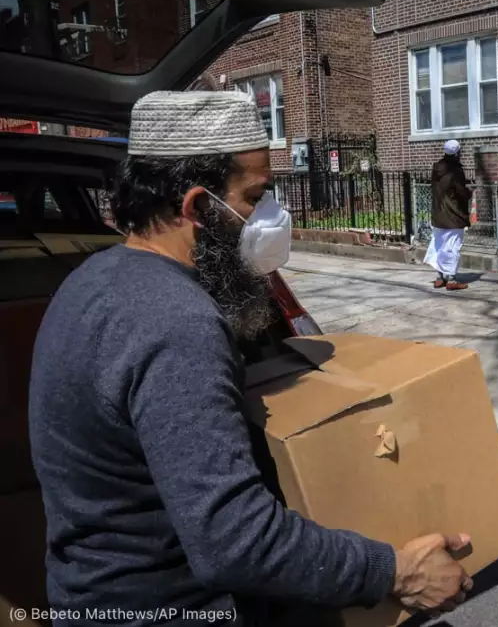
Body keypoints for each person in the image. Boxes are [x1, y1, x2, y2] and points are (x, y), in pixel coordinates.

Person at [28, 91, 472, 627]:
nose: (271, 217)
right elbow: (235, 540)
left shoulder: (90, 279)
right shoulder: (175, 322)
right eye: (256, 197)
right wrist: (395, 572)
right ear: (195, 207)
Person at [424, 139, 472, 291]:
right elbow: (459, 192)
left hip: (438, 214)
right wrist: (468, 193)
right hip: (453, 214)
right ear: (457, 153)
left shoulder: (436, 168)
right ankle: (451, 279)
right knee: (453, 247)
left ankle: (440, 277)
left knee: (439, 245)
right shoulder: (456, 171)